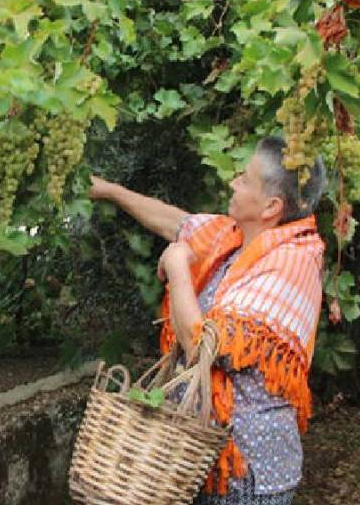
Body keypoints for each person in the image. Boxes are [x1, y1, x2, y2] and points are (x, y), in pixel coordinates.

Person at [89, 137, 327, 504]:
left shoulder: (289, 266)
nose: (233, 183)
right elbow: (177, 223)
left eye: (245, 180)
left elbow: (201, 344)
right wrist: (109, 191)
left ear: (271, 206)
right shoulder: (233, 240)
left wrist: (177, 267)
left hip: (248, 477)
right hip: (203, 463)